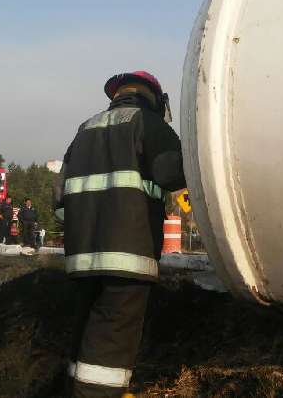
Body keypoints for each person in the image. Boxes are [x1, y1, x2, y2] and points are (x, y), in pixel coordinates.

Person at [55, 71, 186, 397]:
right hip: (128, 256)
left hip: (81, 258)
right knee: (111, 341)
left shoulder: (85, 130)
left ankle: (75, 390)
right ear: (154, 99)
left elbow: (58, 202)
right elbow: (172, 173)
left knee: (87, 332)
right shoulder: (147, 123)